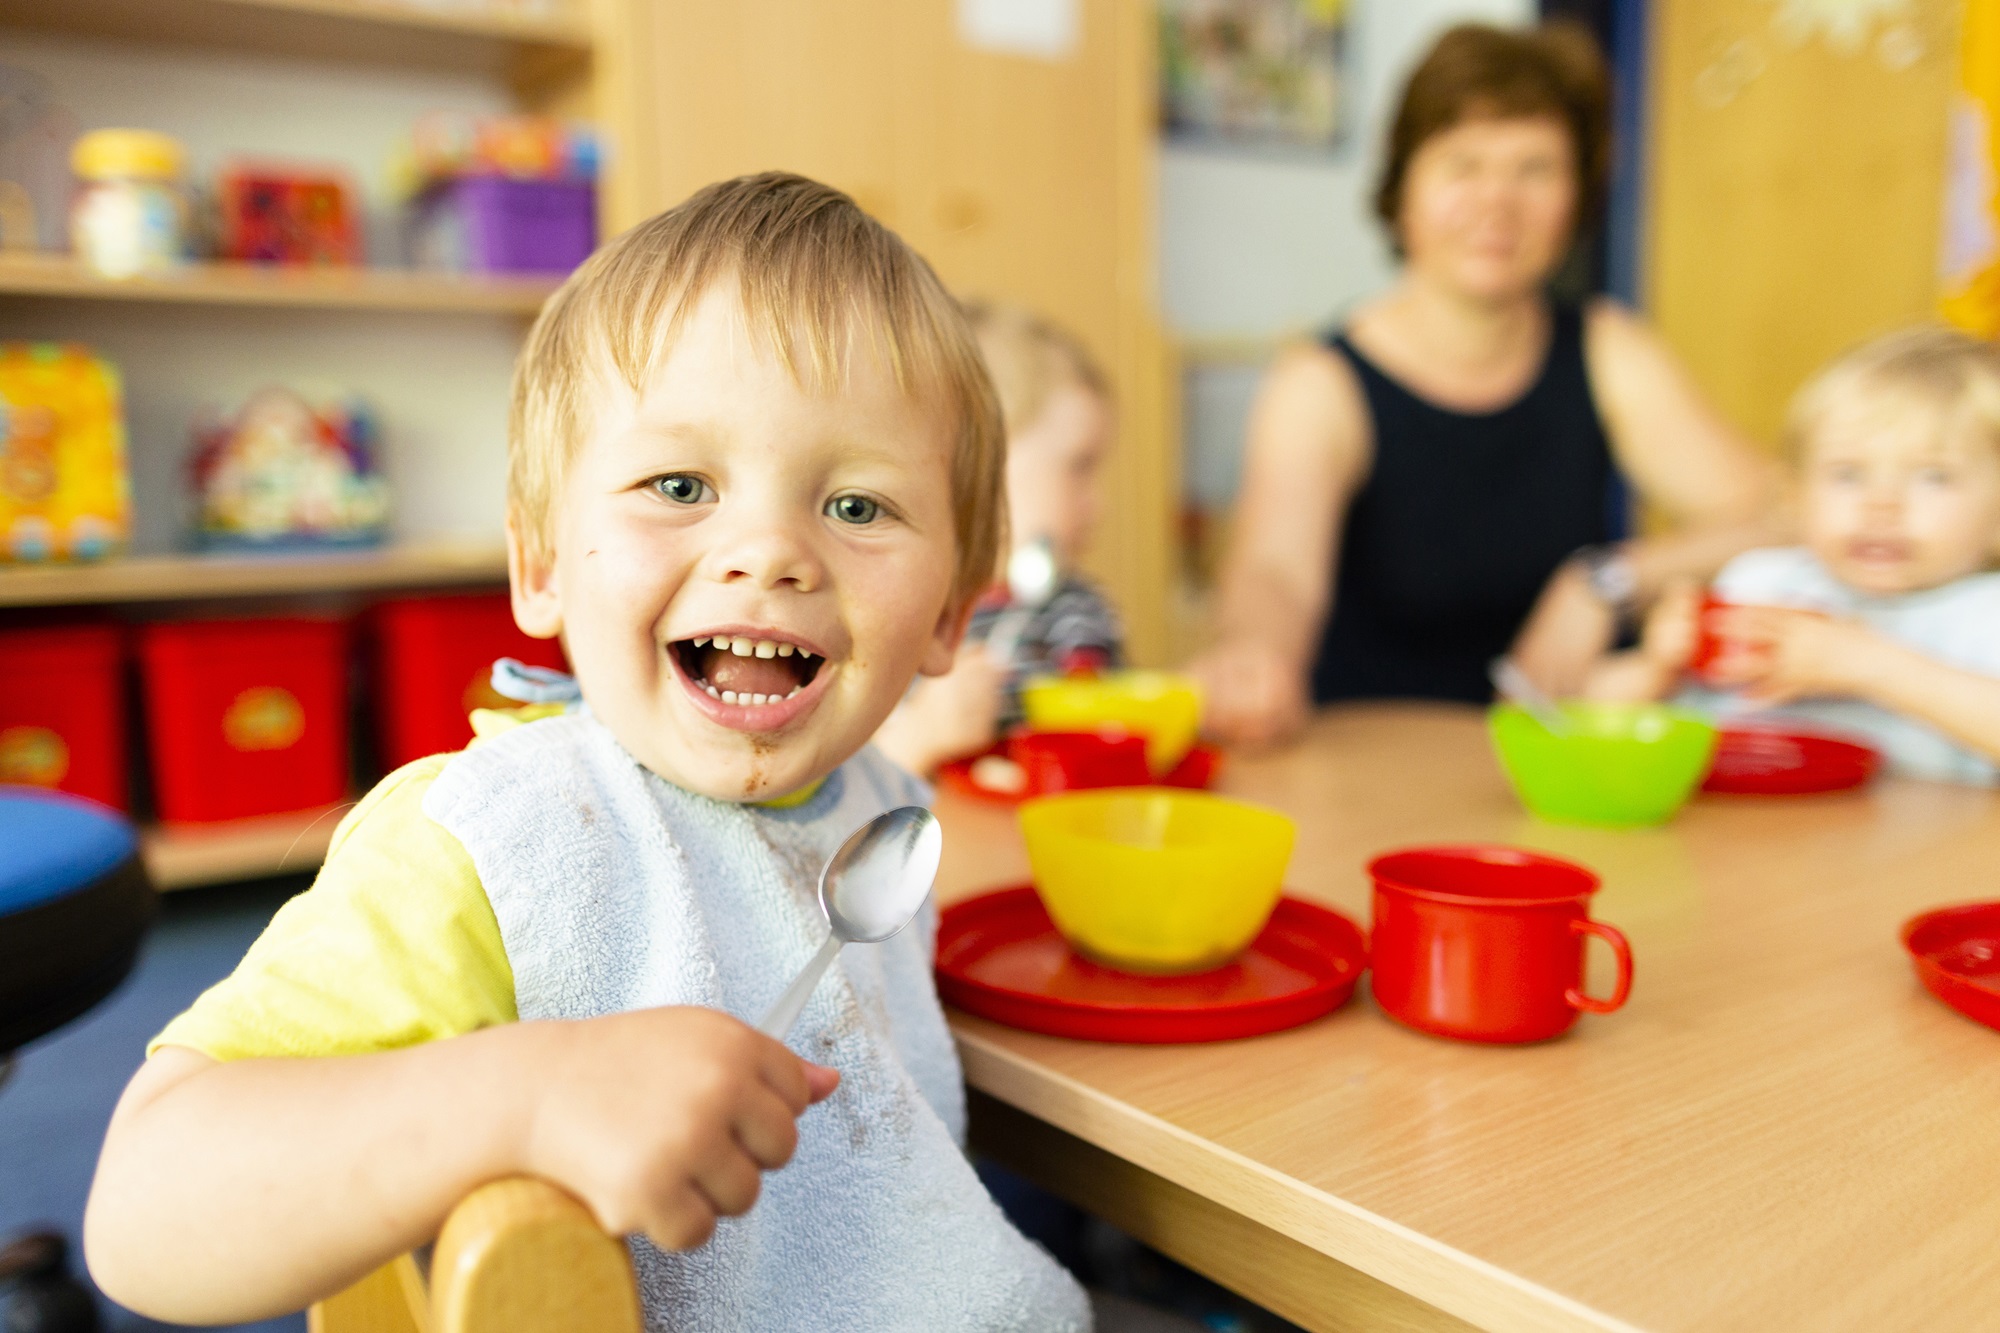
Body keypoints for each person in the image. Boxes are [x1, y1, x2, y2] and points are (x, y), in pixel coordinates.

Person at [82, 174, 1091, 1331]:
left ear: (955, 612)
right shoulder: (493, 839)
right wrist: (521, 1094)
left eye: (857, 507)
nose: (766, 552)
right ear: (542, 566)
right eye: (678, 485)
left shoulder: (876, 803)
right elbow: (140, 1207)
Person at [1194, 21, 1775, 746]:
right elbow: (1275, 570)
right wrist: (1254, 652)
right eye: (1462, 165)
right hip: (1378, 762)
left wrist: (1607, 578)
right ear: (1403, 189)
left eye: (1535, 168)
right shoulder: (1321, 382)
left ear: (1576, 197)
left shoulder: (1608, 349)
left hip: (1560, 772)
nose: (1498, 200)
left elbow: (1782, 514)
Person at [1584, 327, 2000, 783]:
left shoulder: (1985, 615)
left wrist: (1870, 666)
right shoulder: (1763, 584)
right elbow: (1583, 724)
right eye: (1848, 474)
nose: (1882, 504)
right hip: (1749, 845)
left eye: (1932, 477)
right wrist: (1656, 665)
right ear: (1794, 499)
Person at [875, 302, 1123, 776]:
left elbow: (1109, 739)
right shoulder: (891, 617)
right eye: (1079, 467)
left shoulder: (1077, 612)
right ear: (977, 462)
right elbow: (836, 793)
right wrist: (920, 736)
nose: (1099, 504)